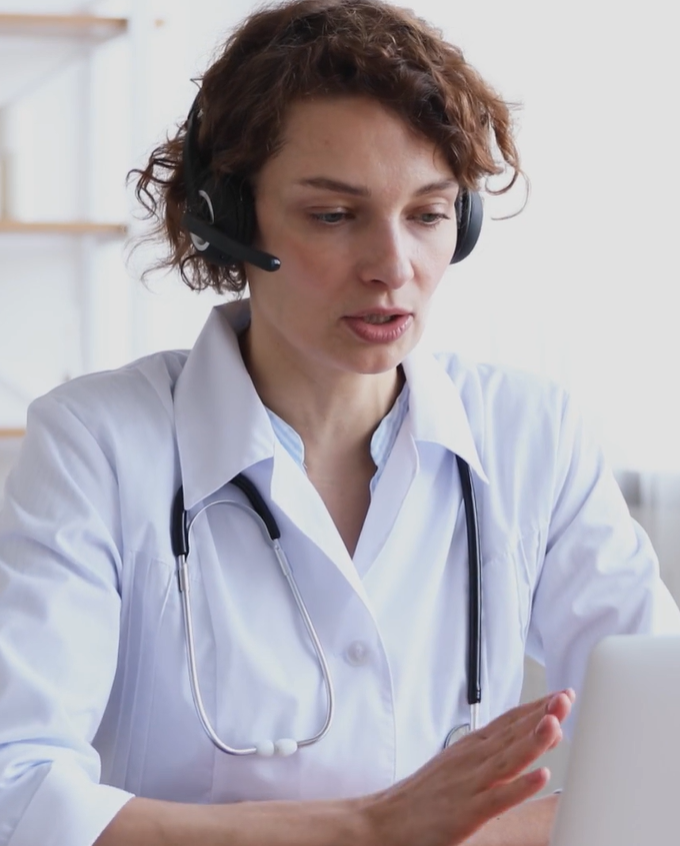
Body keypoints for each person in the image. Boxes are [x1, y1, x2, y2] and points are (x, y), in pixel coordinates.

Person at [0, 0, 678, 844]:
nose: (394, 268)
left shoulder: (531, 432)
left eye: (428, 214)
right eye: (334, 215)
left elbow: (664, 742)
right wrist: (368, 829)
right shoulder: (96, 445)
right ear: (229, 222)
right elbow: (18, 793)